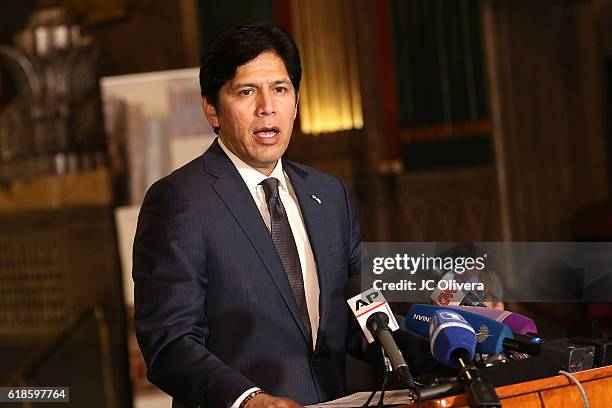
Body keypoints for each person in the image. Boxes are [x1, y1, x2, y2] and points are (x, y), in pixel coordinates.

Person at [133, 23, 439, 408]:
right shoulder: (179, 201)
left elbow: (365, 320)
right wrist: (250, 400)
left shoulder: (329, 195)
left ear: (295, 100)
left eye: (280, 89)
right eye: (247, 92)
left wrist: (450, 341)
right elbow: (170, 343)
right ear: (211, 108)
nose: (267, 108)